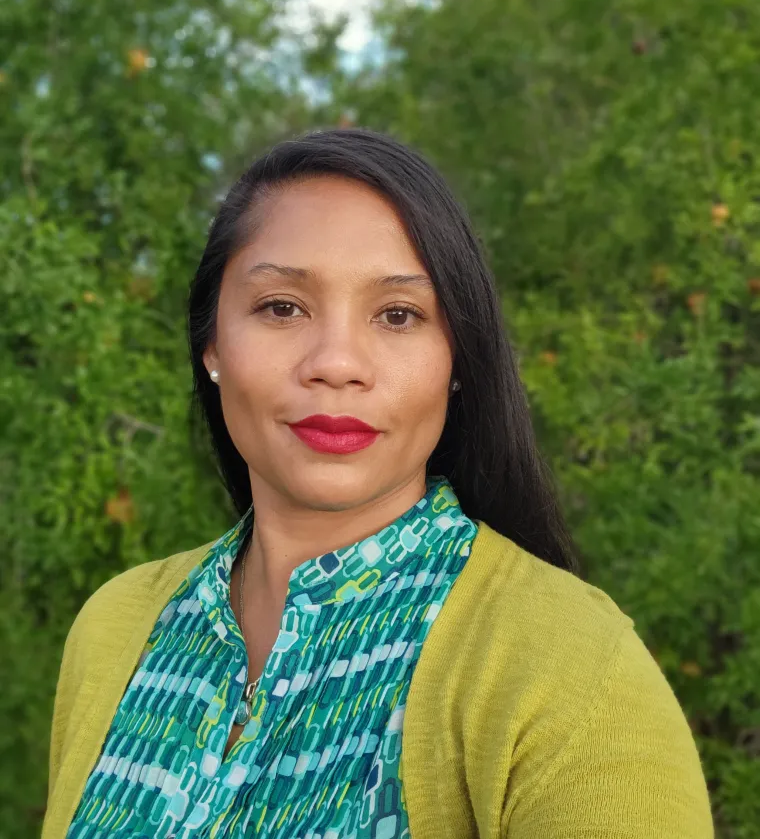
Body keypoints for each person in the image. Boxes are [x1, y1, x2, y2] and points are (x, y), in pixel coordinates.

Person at [42, 128, 714, 839]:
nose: (336, 363)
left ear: (458, 358)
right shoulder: (115, 628)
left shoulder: (571, 667)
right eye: (282, 306)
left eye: (398, 314)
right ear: (211, 342)